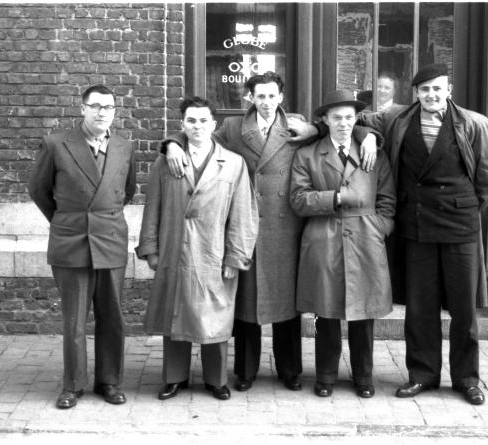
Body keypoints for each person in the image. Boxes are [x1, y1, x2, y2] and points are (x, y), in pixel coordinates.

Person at [162, 72, 379, 393]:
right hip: (245, 224)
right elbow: (200, 138)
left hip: (287, 226)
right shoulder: (234, 129)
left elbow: (337, 127)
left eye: (272, 96)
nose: (266, 102)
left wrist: (369, 134)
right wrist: (171, 144)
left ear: (281, 98)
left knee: (286, 304)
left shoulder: (299, 125)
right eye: (259, 96)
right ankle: (245, 370)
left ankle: (290, 370)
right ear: (249, 98)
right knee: (248, 303)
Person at [387, 64, 488, 405]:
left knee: (464, 309)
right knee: (420, 308)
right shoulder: (398, 121)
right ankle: (422, 375)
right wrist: (364, 136)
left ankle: (467, 379)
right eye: (424, 90)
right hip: (417, 224)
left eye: (437, 89)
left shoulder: (473, 123)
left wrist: (467, 204)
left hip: (460, 226)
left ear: (448, 89)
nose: (431, 95)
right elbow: (361, 122)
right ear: (415, 93)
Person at [136, 96, 258, 401]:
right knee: (175, 314)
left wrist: (236, 255)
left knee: (214, 315)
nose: (197, 126)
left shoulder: (233, 164)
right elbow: (153, 207)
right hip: (175, 248)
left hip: (213, 252)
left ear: (213, 125)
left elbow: (243, 214)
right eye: (191, 120)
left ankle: (216, 380)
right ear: (182, 125)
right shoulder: (166, 162)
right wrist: (151, 248)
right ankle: (174, 377)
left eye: (203, 120)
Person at [29, 84, 135, 409]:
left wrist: (102, 218)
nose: (103, 112)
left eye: (109, 107)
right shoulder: (57, 144)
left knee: (111, 316)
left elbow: (127, 191)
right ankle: (72, 385)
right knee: (74, 319)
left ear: (115, 112)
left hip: (110, 241)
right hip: (71, 242)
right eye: (96, 106)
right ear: (82, 109)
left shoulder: (125, 147)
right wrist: (65, 220)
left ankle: (109, 382)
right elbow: (38, 190)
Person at [289, 90, 396, 398]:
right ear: (324, 120)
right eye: (336, 118)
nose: (344, 124)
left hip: (365, 238)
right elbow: (298, 199)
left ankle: (364, 376)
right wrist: (333, 198)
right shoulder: (308, 154)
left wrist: (379, 227)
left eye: (349, 117)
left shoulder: (372, 151)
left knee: (364, 315)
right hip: (324, 237)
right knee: (328, 313)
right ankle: (325, 376)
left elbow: (388, 197)